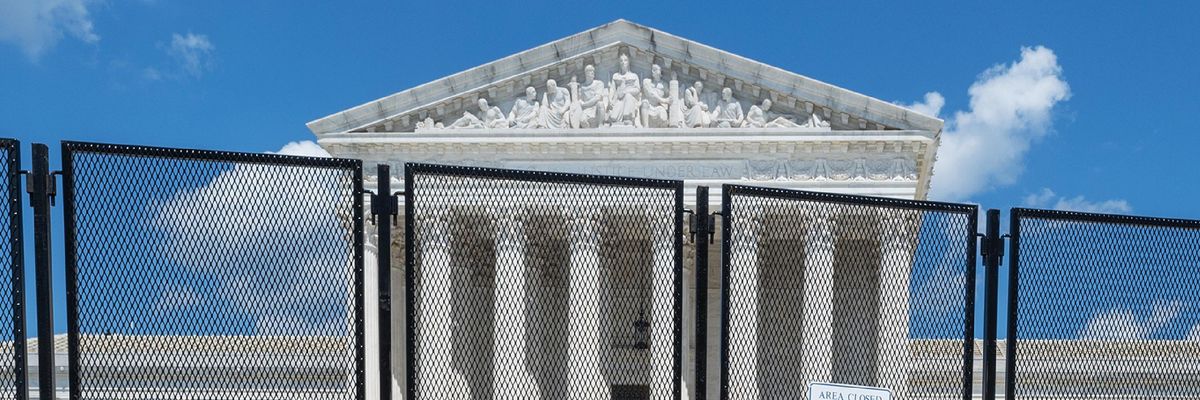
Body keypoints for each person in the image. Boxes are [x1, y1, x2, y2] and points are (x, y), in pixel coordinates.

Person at [608, 54, 641, 126]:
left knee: (628, 96)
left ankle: (627, 118)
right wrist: (610, 99)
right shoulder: (616, 76)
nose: (623, 62)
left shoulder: (633, 76)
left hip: (630, 99)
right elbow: (612, 89)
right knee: (614, 118)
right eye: (621, 60)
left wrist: (626, 91)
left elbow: (638, 89)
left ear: (629, 62)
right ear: (619, 63)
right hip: (618, 99)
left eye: (625, 60)